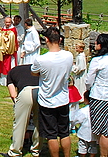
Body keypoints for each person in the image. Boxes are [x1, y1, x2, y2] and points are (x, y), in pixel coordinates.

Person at [31, 27, 73, 157]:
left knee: (51, 134)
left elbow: (34, 72)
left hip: (47, 100)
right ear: (60, 40)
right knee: (64, 132)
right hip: (63, 98)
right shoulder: (68, 56)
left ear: (46, 40)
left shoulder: (41, 59)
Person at [85, 33, 108, 157]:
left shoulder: (97, 61)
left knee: (102, 131)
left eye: (97, 42)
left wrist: (88, 89)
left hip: (100, 96)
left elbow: (89, 81)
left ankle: (104, 155)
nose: (95, 44)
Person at [3, 64, 40, 157]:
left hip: (26, 91)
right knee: (39, 123)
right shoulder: (36, 69)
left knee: (19, 123)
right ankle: (36, 150)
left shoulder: (11, 73)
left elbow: (13, 95)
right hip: (41, 90)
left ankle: (15, 152)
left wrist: (18, 106)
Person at [70, 91, 97, 157]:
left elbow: (75, 119)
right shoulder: (97, 111)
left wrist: (72, 126)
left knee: (82, 146)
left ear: (86, 99)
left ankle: (82, 155)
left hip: (83, 133)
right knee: (93, 146)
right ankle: (92, 155)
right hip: (94, 133)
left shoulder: (83, 111)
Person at [0, 16, 18, 85]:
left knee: (9, 65)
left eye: (9, 22)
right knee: (1, 65)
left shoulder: (13, 30)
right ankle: (2, 80)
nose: (7, 24)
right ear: (4, 22)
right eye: (6, 22)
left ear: (11, 22)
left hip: (9, 51)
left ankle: (10, 80)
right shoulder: (2, 29)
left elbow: (13, 41)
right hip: (2, 51)